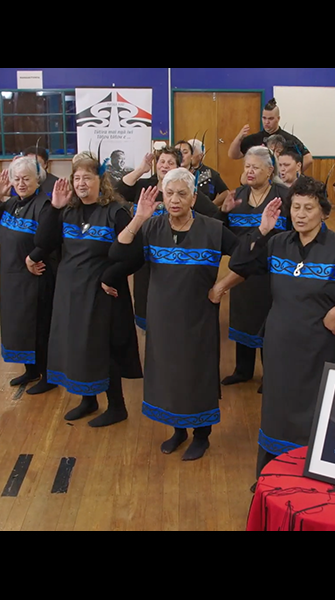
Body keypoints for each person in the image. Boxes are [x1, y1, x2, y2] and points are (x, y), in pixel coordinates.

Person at [230, 177, 335, 480]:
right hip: (280, 347)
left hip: (322, 350)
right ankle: (270, 479)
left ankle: (313, 480)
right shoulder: (278, 243)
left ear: (323, 212)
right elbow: (240, 264)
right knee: (276, 414)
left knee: (318, 416)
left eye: (308, 208)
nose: (300, 214)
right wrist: (263, 228)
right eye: (295, 207)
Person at [110, 168, 245, 461]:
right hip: (162, 317)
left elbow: (249, 258)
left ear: (194, 197)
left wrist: (222, 286)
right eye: (169, 193)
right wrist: (139, 217)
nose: (175, 199)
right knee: (169, 374)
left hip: (198, 317)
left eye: (182, 193)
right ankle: (178, 430)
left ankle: (202, 435)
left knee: (197, 374)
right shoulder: (152, 227)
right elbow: (118, 255)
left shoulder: (212, 229)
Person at [35, 152, 144, 428]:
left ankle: (117, 407)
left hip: (103, 291)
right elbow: (44, 242)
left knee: (101, 348)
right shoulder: (68, 210)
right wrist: (54, 208)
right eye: (77, 178)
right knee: (76, 345)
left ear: (101, 180)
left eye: (87, 177)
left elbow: (135, 254)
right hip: (70, 291)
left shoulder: (116, 212)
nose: (81, 183)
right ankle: (88, 399)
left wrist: (110, 277)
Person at [0, 156, 58, 396]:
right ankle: (30, 370)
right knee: (20, 326)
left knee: (39, 327)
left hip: (36, 276)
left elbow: (50, 239)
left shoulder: (44, 205)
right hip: (12, 276)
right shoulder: (12, 203)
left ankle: (49, 375)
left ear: (38, 180)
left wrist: (32, 257)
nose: (21, 183)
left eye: (26, 179)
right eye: (17, 179)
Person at [117, 148, 220, 331]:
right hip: (145, 258)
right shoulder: (144, 186)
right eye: (161, 161)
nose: (164, 165)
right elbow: (119, 191)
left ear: (178, 167)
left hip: (177, 259)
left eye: (170, 162)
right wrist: (141, 169)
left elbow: (212, 214)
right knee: (147, 306)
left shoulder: (186, 192)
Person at [218, 147, 290, 389]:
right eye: (247, 166)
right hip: (242, 270)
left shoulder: (284, 197)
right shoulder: (236, 196)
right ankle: (243, 370)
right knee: (242, 317)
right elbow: (222, 234)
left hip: (273, 271)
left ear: (270, 170)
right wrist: (223, 212)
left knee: (269, 322)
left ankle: (271, 374)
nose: (249, 171)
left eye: (255, 167)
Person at [228, 98, 314, 173]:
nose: (266, 122)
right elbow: (233, 155)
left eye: (270, 119)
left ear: (278, 119)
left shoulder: (289, 139)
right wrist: (239, 138)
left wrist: (292, 174)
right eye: (264, 118)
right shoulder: (254, 139)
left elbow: (308, 158)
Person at [189, 138, 230, 206]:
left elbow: (225, 193)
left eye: (192, 152)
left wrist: (211, 206)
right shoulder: (179, 171)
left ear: (201, 155)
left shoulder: (210, 173)